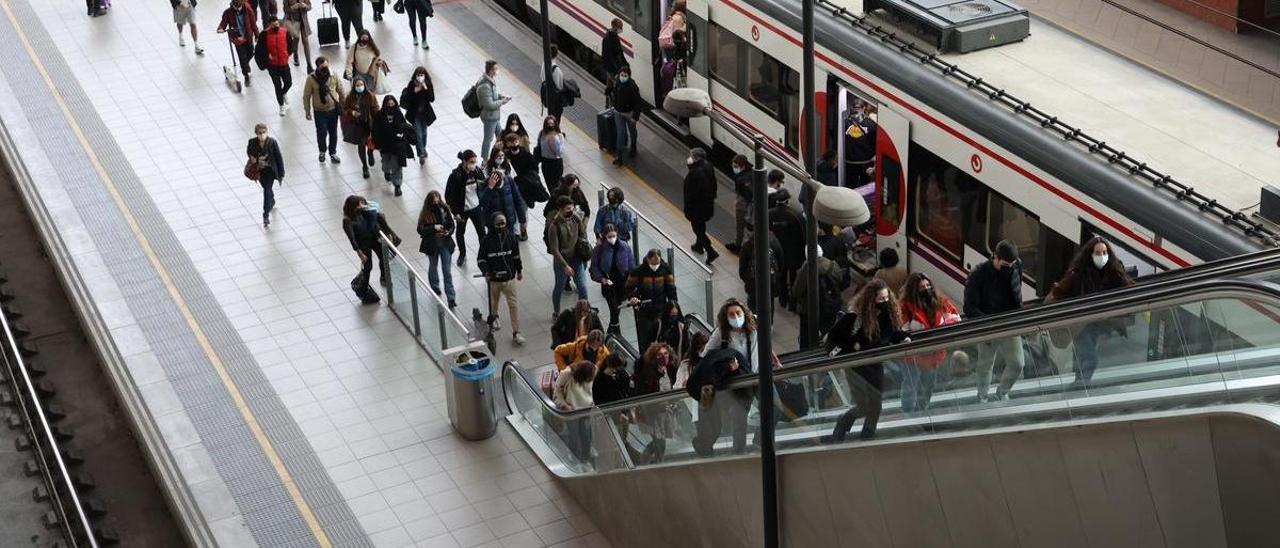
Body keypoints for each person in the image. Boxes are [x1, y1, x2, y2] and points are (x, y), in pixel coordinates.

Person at [825, 279, 910, 442]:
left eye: (887, 298)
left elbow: (891, 334)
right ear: (871, 300)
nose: (885, 302)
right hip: (856, 365)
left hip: (875, 364)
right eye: (881, 299)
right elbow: (834, 337)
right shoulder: (855, 317)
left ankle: (867, 436)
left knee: (876, 405)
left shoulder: (888, 316)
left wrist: (904, 336)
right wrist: (852, 344)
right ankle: (843, 424)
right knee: (864, 405)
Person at [1045, 236, 1134, 386]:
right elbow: (1058, 293)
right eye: (1098, 253)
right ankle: (1080, 387)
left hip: (1101, 323)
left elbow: (1128, 288)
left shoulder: (1114, 272)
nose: (1102, 256)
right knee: (1089, 357)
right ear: (1090, 255)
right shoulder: (1078, 274)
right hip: (1082, 324)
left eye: (1104, 253)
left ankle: (1079, 383)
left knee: (1085, 355)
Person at [963, 240, 1025, 402]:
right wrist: (986, 324)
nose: (1008, 268)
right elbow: (969, 307)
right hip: (988, 326)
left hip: (1009, 323)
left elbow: (1017, 294)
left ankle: (1002, 392)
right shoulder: (978, 274)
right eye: (1005, 265)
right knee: (985, 364)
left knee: (1018, 363)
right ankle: (982, 397)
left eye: (1011, 265)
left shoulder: (1016, 266)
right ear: (995, 258)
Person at [899, 273, 961, 412]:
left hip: (934, 355)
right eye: (922, 287)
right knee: (911, 383)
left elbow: (955, 319)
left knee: (928, 384)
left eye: (928, 285)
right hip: (913, 356)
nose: (926, 289)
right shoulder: (905, 307)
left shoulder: (940, 301)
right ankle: (907, 411)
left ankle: (922, 409)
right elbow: (901, 329)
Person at [687, 345, 751, 456]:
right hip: (714, 385)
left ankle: (735, 450)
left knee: (729, 418)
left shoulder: (713, 364)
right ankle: (736, 450)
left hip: (716, 385)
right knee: (718, 423)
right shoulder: (712, 366)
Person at [476, 213, 525, 345]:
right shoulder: (486, 241)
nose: (501, 227)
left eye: (503, 224)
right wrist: (486, 271)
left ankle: (516, 332)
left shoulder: (511, 237)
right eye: (498, 224)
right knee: (494, 302)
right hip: (494, 280)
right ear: (493, 225)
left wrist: (519, 270)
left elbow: (516, 256)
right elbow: (481, 259)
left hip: (509, 279)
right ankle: (494, 316)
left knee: (513, 305)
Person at [791, 245, 848, 346]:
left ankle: (807, 351)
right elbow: (840, 280)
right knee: (829, 333)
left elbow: (796, 291)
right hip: (830, 306)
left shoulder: (806, 269)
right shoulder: (832, 265)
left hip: (809, 309)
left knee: (806, 336)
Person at [626, 249, 677, 353]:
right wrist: (632, 297)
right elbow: (628, 287)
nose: (656, 265)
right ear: (648, 259)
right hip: (644, 310)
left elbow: (671, 289)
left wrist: (674, 306)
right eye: (653, 262)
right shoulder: (639, 271)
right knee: (645, 337)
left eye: (658, 262)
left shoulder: (666, 270)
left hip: (661, 309)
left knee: (661, 335)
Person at [633, 342, 677, 461]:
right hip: (652, 412)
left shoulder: (670, 369)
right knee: (659, 441)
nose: (664, 357)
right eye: (659, 355)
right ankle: (654, 461)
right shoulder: (649, 373)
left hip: (666, 411)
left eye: (666, 353)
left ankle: (648, 459)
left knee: (661, 439)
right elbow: (643, 393)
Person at [548, 196, 591, 316]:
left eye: (572, 208)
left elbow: (583, 234)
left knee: (582, 287)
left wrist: (584, 252)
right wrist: (565, 266)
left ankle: (584, 312)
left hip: (576, 258)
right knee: (559, 287)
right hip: (562, 262)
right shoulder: (554, 227)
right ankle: (556, 311)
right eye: (568, 209)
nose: (571, 211)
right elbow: (555, 250)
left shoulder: (575, 218)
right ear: (560, 209)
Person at [342, 195, 398, 288]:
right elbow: (352, 238)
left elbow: (374, 212)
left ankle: (384, 278)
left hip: (373, 238)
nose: (361, 206)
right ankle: (363, 286)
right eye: (359, 204)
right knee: (368, 266)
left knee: (383, 258)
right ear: (353, 206)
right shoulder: (347, 220)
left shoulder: (362, 212)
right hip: (363, 243)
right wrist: (360, 253)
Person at [589, 224, 635, 334]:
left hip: (622, 282)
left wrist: (632, 280)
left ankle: (611, 329)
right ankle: (616, 330)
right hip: (608, 282)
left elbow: (631, 264)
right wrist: (601, 279)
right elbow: (594, 267)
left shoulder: (624, 247)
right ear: (604, 236)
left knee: (617, 307)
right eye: (609, 236)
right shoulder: (599, 250)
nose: (612, 238)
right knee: (614, 307)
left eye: (614, 235)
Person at [445, 151, 487, 266]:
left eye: (475, 162)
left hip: (476, 207)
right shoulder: (455, 176)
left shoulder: (477, 172)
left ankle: (484, 254)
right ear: (464, 162)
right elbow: (449, 196)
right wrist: (455, 213)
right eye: (471, 162)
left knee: (481, 232)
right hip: (462, 210)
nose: (474, 164)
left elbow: (483, 185)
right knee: (460, 233)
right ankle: (462, 254)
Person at [417, 191, 457, 308]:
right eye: (434, 201)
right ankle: (434, 286)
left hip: (445, 243)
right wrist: (434, 227)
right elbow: (420, 229)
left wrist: (448, 232)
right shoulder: (425, 213)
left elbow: (451, 224)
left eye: (437, 200)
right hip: (432, 244)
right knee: (433, 266)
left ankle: (451, 297)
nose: (436, 203)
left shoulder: (445, 209)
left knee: (447, 271)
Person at [701, 298, 762, 375]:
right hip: (737, 375)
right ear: (726, 318)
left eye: (738, 313)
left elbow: (763, 340)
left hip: (756, 373)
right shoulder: (721, 332)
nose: (736, 317)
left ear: (744, 313)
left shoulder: (754, 322)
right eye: (731, 314)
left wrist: (772, 356)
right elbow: (706, 355)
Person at [769, 186, 805, 309]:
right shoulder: (796, 216)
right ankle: (793, 302)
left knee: (781, 276)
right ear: (787, 201)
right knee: (794, 277)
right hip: (794, 253)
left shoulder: (769, 214)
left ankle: (782, 299)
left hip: (777, 252)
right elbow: (803, 236)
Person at [552, 360, 596, 462]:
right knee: (573, 434)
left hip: (586, 408)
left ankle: (586, 457)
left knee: (586, 433)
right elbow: (557, 392)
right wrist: (565, 405)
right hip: (571, 410)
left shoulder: (592, 371)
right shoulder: (566, 374)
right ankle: (575, 458)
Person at [303, 56, 344, 164]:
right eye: (322, 66)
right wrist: (307, 110)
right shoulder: (311, 78)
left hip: (333, 110)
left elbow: (341, 90)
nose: (325, 68)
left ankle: (333, 153)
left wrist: (344, 105)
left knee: (333, 133)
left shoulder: (334, 75)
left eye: (326, 65)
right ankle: (322, 151)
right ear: (318, 67)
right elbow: (306, 95)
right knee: (321, 133)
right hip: (319, 111)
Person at [682, 147, 719, 265]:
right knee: (701, 225)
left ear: (697, 159)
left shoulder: (695, 174)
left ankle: (710, 251)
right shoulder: (708, 166)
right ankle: (699, 246)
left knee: (697, 228)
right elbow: (714, 185)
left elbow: (691, 194)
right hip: (707, 204)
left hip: (696, 207)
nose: (689, 158)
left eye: (691, 156)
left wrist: (688, 208)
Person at [371, 95, 413, 196]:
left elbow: (403, 125)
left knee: (397, 165)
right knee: (386, 162)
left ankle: (397, 185)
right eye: (388, 104)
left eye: (392, 104)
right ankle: (386, 171)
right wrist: (377, 144)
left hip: (397, 145)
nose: (390, 106)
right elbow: (375, 131)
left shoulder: (398, 113)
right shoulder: (379, 115)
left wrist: (402, 135)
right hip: (384, 145)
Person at [739, 224, 783, 321]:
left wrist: (747, 279)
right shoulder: (774, 242)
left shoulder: (748, 244)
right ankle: (769, 324)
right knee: (769, 304)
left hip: (753, 283)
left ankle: (753, 323)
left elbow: (742, 267)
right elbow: (781, 262)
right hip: (770, 283)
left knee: (752, 304)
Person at [256, 16, 297, 116]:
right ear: (269, 25)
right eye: (273, 25)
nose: (276, 26)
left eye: (277, 24)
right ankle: (281, 106)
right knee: (277, 85)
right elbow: (259, 49)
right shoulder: (264, 34)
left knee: (288, 82)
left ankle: (283, 93)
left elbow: (290, 45)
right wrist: (267, 55)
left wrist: (287, 54)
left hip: (284, 63)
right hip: (272, 65)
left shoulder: (285, 32)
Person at [246, 123, 284, 227]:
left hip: (270, 172)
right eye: (260, 133)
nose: (262, 135)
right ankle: (271, 200)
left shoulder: (272, 142)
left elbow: (279, 157)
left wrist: (281, 173)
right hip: (260, 171)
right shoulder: (252, 142)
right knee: (267, 189)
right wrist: (252, 157)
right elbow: (249, 151)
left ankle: (265, 214)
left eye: (264, 132)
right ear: (256, 133)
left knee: (266, 190)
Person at [340, 77, 378, 178]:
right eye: (357, 85)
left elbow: (375, 108)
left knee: (371, 142)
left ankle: (370, 152)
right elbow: (345, 108)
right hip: (357, 125)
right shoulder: (351, 96)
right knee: (361, 145)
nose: (359, 87)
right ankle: (364, 166)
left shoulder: (370, 96)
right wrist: (352, 112)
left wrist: (376, 121)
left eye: (361, 85)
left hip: (368, 123)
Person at [479, 160, 527, 239]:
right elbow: (482, 204)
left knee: (510, 241)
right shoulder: (485, 185)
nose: (499, 187)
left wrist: (523, 221)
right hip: (494, 223)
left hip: (509, 220)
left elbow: (518, 201)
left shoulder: (509, 181)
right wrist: (490, 188)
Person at [399, 66, 436, 167]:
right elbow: (408, 97)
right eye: (418, 75)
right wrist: (415, 91)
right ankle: (421, 154)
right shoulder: (412, 84)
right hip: (415, 114)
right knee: (418, 134)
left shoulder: (428, 84)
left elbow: (432, 98)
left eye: (422, 75)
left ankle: (423, 149)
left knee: (424, 134)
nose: (420, 77)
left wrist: (426, 89)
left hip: (425, 114)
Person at [217, 0, 259, 86]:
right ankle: (246, 76)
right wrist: (220, 28)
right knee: (242, 58)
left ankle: (245, 65)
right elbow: (223, 22)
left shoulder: (248, 10)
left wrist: (257, 35)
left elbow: (253, 24)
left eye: (238, 7)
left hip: (247, 37)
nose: (236, 9)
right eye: (235, 6)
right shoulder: (228, 12)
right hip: (237, 39)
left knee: (251, 53)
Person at [477, 61, 511, 159]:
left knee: (501, 136)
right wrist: (502, 102)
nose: (497, 70)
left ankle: (502, 154)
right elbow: (489, 104)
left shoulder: (490, 80)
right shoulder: (485, 86)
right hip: (489, 117)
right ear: (491, 70)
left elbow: (492, 95)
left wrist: (500, 96)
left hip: (494, 116)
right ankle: (485, 159)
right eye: (496, 69)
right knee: (488, 139)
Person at [506, 134, 545, 217]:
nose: (514, 144)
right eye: (511, 142)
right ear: (508, 144)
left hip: (525, 186)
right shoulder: (506, 156)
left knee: (523, 208)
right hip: (512, 185)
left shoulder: (526, 155)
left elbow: (535, 169)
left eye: (516, 141)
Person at [610, 66, 642, 166]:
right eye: (622, 75)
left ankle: (633, 146)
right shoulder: (617, 83)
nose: (623, 77)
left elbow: (638, 103)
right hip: (618, 112)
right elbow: (613, 93)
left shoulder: (633, 87)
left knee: (632, 130)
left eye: (625, 75)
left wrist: (635, 117)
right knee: (620, 132)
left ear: (629, 76)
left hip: (629, 113)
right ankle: (619, 156)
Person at [726, 154, 751, 255]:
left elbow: (745, 194)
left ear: (743, 166)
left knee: (740, 227)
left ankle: (738, 245)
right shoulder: (751, 173)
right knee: (748, 227)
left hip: (742, 206)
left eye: (736, 166)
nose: (734, 168)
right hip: (749, 206)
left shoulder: (741, 179)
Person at [280, 0, 312, 71]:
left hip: (304, 21)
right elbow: (285, 10)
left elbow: (309, 6)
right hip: (293, 22)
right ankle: (295, 53)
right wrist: (293, 8)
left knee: (306, 42)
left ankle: (309, 64)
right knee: (296, 39)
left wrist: (305, 6)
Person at [537, 116, 566, 189]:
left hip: (555, 163)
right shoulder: (542, 133)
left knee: (556, 184)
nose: (550, 125)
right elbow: (539, 145)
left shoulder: (559, 136)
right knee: (549, 183)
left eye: (552, 124)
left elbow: (559, 152)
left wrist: (554, 141)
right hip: (545, 162)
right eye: (548, 124)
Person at [544, 45, 567, 122]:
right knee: (556, 119)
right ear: (557, 54)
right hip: (555, 101)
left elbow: (542, 78)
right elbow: (559, 86)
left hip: (547, 96)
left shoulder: (544, 64)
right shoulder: (557, 70)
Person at [600, 19, 626, 83]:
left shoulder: (614, 36)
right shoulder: (608, 39)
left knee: (611, 82)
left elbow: (619, 52)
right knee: (614, 82)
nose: (621, 29)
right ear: (615, 27)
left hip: (614, 66)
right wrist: (615, 68)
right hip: (612, 67)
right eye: (620, 27)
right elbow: (608, 55)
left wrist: (625, 63)